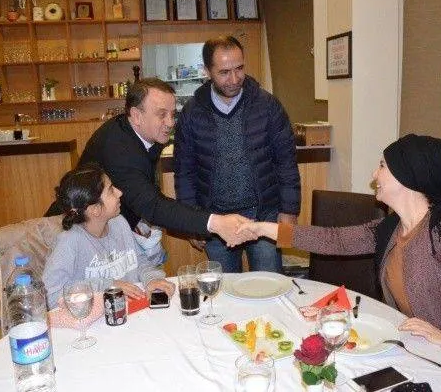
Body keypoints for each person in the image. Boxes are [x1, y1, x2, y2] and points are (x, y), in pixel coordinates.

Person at [239, 134, 441, 391]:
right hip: (427, 355)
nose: (374, 174)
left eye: (382, 166)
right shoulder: (391, 229)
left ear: (408, 177)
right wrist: (262, 228)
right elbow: (333, 239)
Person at [45, 77, 255, 250]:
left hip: (105, 228)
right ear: (136, 115)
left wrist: (188, 226)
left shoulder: (143, 133)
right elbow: (152, 204)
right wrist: (215, 223)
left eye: (173, 114)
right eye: (162, 115)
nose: (170, 123)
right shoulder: (119, 148)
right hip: (70, 233)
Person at [173, 36, 300, 273]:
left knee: (269, 285)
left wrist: (289, 211)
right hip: (216, 221)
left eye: (239, 68)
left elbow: (286, 162)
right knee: (225, 289)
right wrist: (192, 221)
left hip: (264, 215)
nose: (234, 79)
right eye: (224, 72)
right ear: (207, 71)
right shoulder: (192, 113)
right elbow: (184, 172)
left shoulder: (268, 105)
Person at [43, 163, 175, 309]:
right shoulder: (69, 241)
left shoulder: (119, 222)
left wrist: (152, 279)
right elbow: (51, 296)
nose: (119, 192)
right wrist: (108, 285)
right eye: (111, 190)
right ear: (95, 209)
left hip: (131, 312)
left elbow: (139, 261)